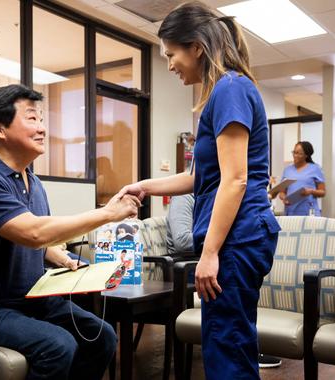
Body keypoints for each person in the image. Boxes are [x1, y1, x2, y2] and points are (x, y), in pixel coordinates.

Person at [118, 3, 280, 378]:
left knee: (228, 348)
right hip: (236, 237)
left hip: (237, 239)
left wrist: (209, 253)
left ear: (196, 47)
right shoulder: (222, 93)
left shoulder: (231, 88)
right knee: (228, 342)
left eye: (171, 54)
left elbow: (235, 179)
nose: (170, 64)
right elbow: (198, 177)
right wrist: (143, 185)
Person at [0, 84, 141, 380]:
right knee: (57, 346)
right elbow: (33, 233)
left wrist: (62, 257)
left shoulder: (32, 181)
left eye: (42, 120)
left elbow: (31, 239)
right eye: (32, 119)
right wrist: (108, 214)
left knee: (103, 337)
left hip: (31, 300)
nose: (42, 128)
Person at [164, 193, 283, 369]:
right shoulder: (184, 197)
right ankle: (235, 351)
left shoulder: (216, 196)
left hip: (211, 258)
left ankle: (243, 348)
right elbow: (181, 241)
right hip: (187, 266)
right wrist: (222, 239)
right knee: (233, 266)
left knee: (242, 267)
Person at [278, 141, 326, 216]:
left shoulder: (315, 168)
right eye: (294, 152)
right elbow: (282, 192)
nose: (295, 155)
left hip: (309, 212)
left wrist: (311, 191)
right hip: (291, 213)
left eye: (299, 153)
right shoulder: (287, 170)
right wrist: (284, 197)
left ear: (306, 155)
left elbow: (322, 192)